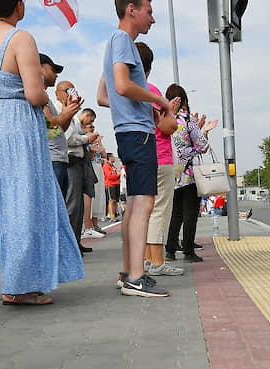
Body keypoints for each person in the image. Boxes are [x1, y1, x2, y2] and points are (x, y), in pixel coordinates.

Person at [0, 0, 84, 304]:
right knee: (26, 202)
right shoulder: (20, 38)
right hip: (17, 125)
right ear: (18, 5)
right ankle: (22, 286)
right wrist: (43, 93)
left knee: (5, 205)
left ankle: (17, 280)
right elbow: (33, 93)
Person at [97, 0, 181, 297]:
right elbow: (120, 87)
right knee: (143, 204)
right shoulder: (123, 41)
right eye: (149, 11)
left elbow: (103, 96)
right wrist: (158, 102)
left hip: (128, 132)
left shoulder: (114, 43)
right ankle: (136, 276)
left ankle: (129, 272)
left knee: (134, 205)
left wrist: (144, 108)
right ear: (131, 9)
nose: (153, 19)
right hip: (139, 135)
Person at [137, 42, 182, 277]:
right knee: (159, 210)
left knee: (144, 211)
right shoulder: (149, 89)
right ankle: (157, 261)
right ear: (149, 67)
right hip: (160, 156)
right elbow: (167, 126)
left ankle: (145, 260)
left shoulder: (125, 89)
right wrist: (170, 112)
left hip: (138, 156)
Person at [40, 55, 87, 254]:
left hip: (60, 159)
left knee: (61, 208)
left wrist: (70, 111)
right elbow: (51, 123)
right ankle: (56, 251)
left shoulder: (47, 99)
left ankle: (64, 248)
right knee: (57, 209)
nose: (56, 74)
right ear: (41, 68)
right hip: (53, 160)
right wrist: (67, 112)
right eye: (53, 69)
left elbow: (60, 127)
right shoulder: (41, 97)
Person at [166, 84, 214, 263]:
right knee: (190, 212)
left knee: (175, 212)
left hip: (171, 171)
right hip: (189, 172)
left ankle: (170, 250)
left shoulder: (163, 118)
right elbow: (203, 146)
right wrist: (193, 148)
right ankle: (188, 251)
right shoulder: (187, 120)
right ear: (184, 100)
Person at [58, 81, 99, 248]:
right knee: (72, 205)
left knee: (78, 206)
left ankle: (75, 241)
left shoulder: (72, 115)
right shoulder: (61, 112)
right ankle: (70, 244)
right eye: (68, 91)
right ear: (59, 94)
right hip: (70, 160)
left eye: (73, 90)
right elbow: (67, 138)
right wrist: (86, 139)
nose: (72, 94)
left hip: (78, 161)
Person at [103, 153, 121, 219]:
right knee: (111, 200)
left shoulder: (113, 166)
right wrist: (118, 175)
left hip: (116, 184)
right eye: (113, 156)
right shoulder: (106, 165)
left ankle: (114, 215)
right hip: (110, 185)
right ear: (110, 157)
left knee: (115, 200)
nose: (114, 158)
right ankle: (112, 216)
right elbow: (109, 176)